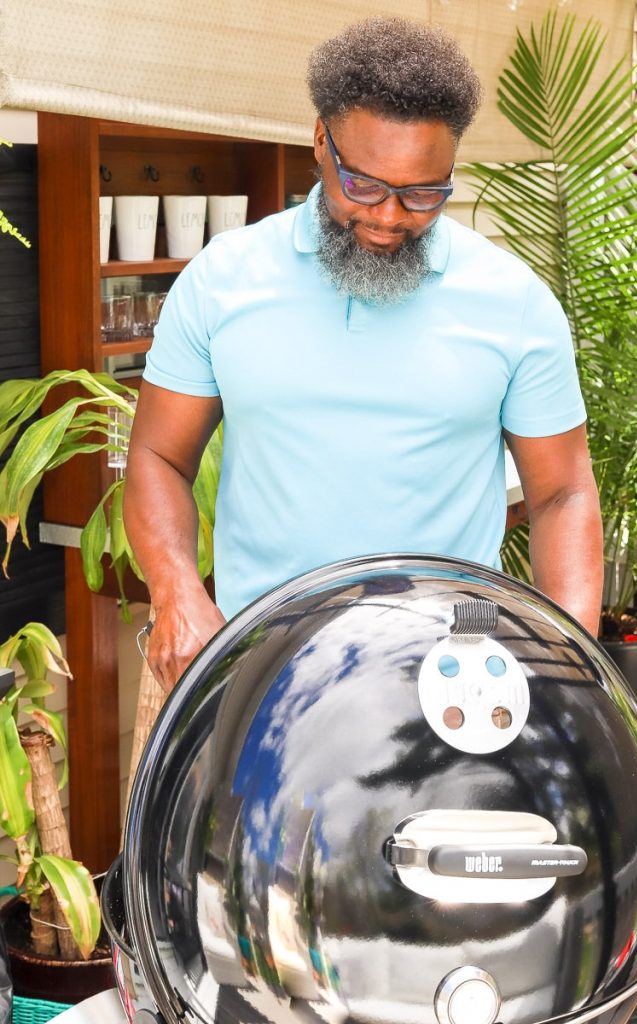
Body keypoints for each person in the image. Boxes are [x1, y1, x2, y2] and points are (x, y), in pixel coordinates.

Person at [124, 16, 603, 692]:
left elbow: (562, 493)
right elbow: (157, 456)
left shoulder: (513, 302)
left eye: (422, 194)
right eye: (365, 186)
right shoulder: (221, 279)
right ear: (321, 141)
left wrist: (570, 664)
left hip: (451, 673)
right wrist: (175, 593)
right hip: (264, 665)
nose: (388, 216)